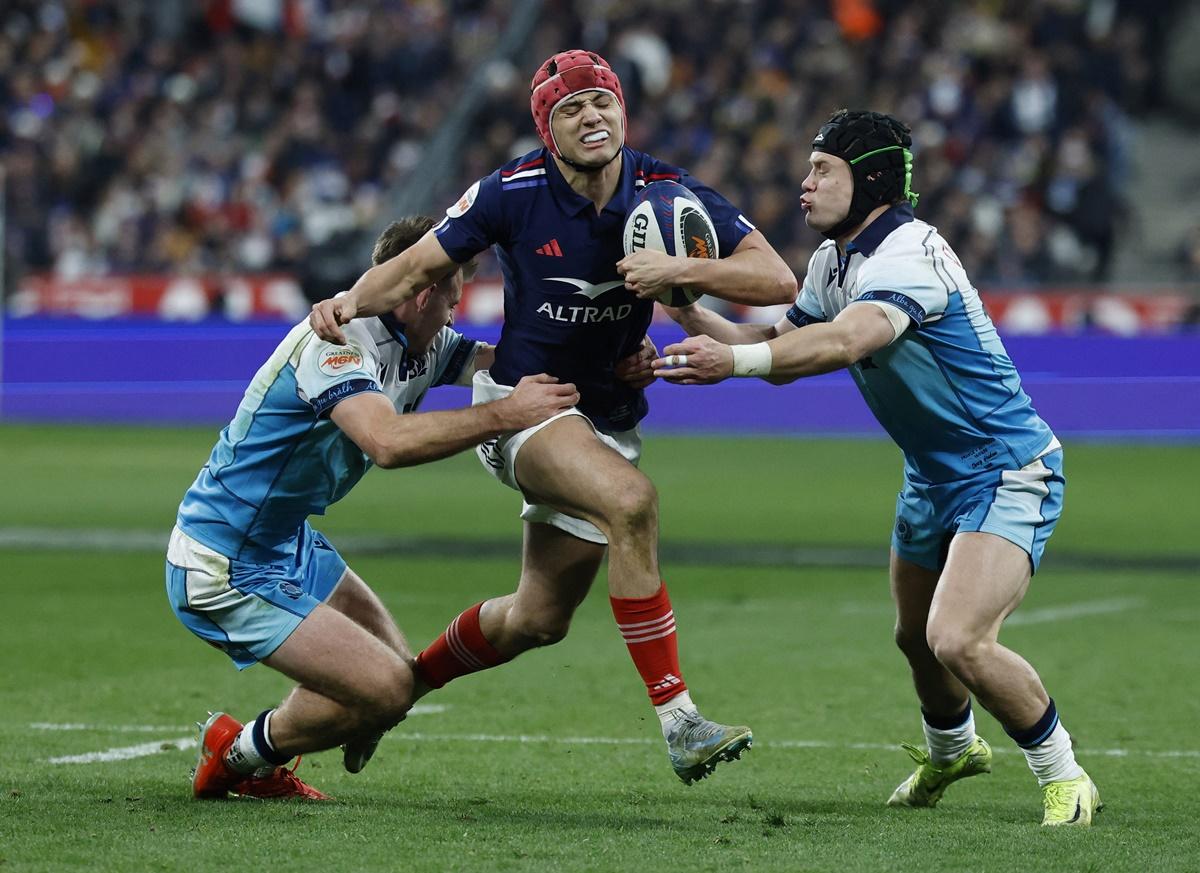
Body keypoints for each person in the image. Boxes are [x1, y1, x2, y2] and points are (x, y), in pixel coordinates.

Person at [309, 49, 797, 784]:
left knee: (538, 617)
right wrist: (349, 299)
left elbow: (775, 277)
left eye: (602, 102)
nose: (592, 116)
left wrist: (681, 272)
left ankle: (397, 691)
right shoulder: (510, 190)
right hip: (524, 408)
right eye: (571, 108)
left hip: (608, 420)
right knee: (632, 504)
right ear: (547, 130)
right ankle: (680, 720)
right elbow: (414, 267)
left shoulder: (665, 189)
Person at [651, 109, 1101, 825]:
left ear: (871, 181)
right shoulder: (835, 262)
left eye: (822, 170)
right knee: (912, 635)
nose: (804, 185)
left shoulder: (909, 254)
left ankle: (1067, 777)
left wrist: (732, 360)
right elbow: (777, 349)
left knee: (957, 639)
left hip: (1006, 467)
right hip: (932, 473)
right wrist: (681, 309)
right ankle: (952, 750)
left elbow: (847, 339)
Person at [168, 216, 580, 800]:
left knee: (400, 682)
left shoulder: (425, 343)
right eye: (452, 297)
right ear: (419, 292)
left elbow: (504, 365)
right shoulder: (335, 341)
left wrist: (609, 360)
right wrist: (505, 415)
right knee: (385, 691)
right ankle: (237, 754)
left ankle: (334, 721)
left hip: (286, 540)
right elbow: (386, 443)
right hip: (223, 558)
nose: (454, 313)